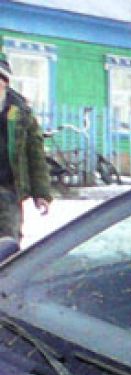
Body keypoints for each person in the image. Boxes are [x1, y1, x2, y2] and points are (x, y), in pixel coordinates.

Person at [0, 53, 51, 245]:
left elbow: (35, 154)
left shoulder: (20, 112)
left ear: (5, 81)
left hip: (8, 190)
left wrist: (41, 193)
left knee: (7, 243)